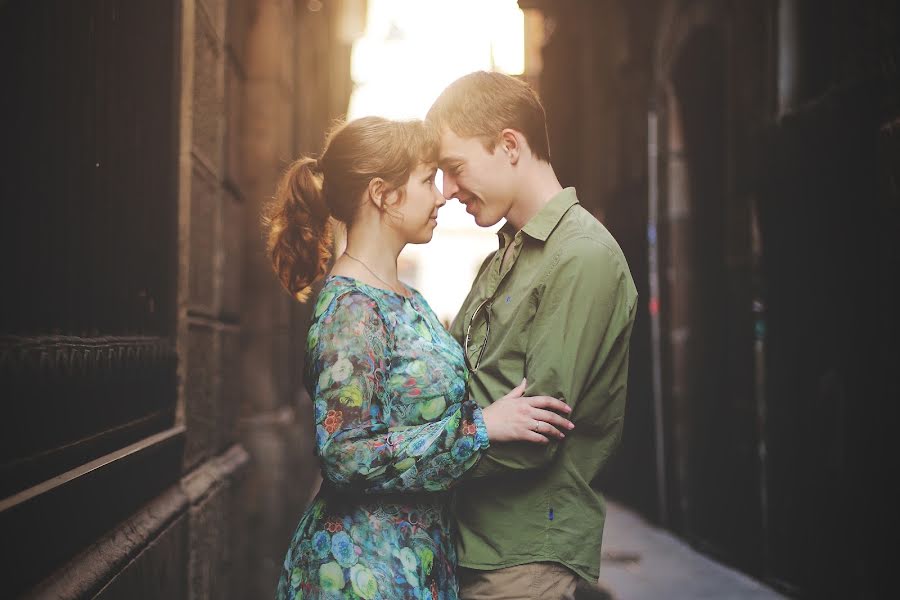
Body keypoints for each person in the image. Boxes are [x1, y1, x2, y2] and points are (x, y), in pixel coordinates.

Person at [266, 116, 575, 600]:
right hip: (359, 571)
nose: (440, 196)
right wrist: (481, 428)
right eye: (426, 181)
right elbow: (344, 454)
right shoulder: (351, 309)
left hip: (417, 562)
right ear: (381, 194)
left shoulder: (408, 298)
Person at [426, 71, 639, 600]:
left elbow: (535, 433)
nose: (447, 191)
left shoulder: (581, 257)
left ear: (509, 146)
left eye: (454, 169)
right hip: (470, 548)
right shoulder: (504, 258)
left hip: (522, 561)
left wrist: (412, 453)